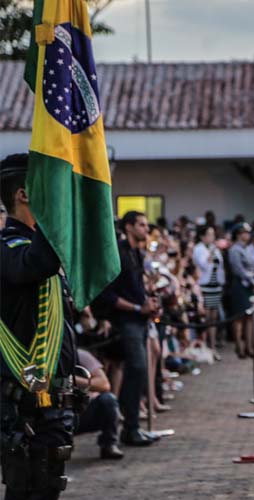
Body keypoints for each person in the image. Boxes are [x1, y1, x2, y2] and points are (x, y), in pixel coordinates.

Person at [0, 153, 81, 499]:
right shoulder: (9, 247)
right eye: (46, 184)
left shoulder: (34, 248)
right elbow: (35, 264)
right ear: (24, 194)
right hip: (25, 404)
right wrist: (55, 216)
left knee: (47, 487)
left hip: (51, 399)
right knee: (29, 490)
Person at [95, 210, 161, 447]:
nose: (146, 229)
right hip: (126, 321)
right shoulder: (118, 254)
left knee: (138, 372)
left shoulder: (136, 253)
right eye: (141, 225)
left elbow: (137, 288)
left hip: (138, 320)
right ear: (129, 227)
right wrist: (136, 308)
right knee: (136, 369)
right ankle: (127, 428)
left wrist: (150, 304)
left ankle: (131, 427)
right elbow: (107, 294)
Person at [74, 349, 123, 460]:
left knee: (108, 399)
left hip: (81, 412)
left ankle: (109, 444)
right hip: (54, 414)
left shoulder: (80, 355)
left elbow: (104, 384)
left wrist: (72, 380)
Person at [192, 225, 225, 358]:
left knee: (214, 317)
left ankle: (212, 346)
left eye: (213, 234)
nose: (212, 237)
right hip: (204, 286)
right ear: (202, 236)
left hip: (215, 286)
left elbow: (220, 267)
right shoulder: (198, 249)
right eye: (209, 234)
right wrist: (212, 252)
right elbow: (204, 265)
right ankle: (205, 346)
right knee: (205, 318)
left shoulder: (214, 249)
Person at [228, 223, 254, 358]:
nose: (246, 235)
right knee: (239, 318)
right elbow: (238, 269)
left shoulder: (247, 249)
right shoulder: (235, 249)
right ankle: (239, 346)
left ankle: (249, 346)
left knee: (250, 317)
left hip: (249, 285)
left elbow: (253, 267)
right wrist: (252, 280)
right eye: (243, 233)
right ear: (238, 235)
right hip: (240, 285)